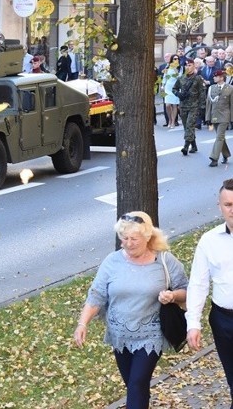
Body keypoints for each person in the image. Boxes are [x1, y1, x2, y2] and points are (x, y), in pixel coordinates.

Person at [74, 212, 188, 409]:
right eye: (124, 238)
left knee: (136, 383)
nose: (128, 243)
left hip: (150, 335)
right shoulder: (112, 261)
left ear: (147, 236)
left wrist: (172, 296)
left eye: (133, 238)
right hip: (119, 336)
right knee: (135, 386)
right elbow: (97, 295)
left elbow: (186, 290)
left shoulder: (164, 261)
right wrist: (82, 323)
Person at [186, 179, 233, 408]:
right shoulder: (209, 241)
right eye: (228, 204)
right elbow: (198, 284)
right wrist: (193, 324)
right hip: (224, 320)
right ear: (219, 206)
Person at [173, 58, 206, 155]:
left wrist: (202, 106)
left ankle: (186, 147)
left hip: (194, 106)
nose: (188, 67)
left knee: (190, 125)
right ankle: (194, 146)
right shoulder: (181, 78)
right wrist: (178, 94)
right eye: (186, 65)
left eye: (190, 65)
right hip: (183, 106)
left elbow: (202, 93)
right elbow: (174, 88)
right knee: (186, 127)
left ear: (194, 66)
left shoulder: (198, 78)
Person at [206, 70, 233, 167]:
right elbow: (209, 104)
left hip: (225, 116)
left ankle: (214, 158)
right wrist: (207, 117)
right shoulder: (211, 88)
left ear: (221, 77)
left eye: (216, 76)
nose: (214, 78)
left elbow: (232, 104)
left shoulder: (230, 88)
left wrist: (232, 119)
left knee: (219, 137)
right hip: (214, 116)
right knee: (220, 137)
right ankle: (226, 154)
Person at [162, 55, 182, 129]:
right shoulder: (167, 67)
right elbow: (165, 77)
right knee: (167, 105)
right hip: (168, 87)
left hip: (175, 87)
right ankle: (169, 119)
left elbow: (179, 77)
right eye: (174, 59)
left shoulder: (180, 68)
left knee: (174, 105)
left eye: (177, 59)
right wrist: (163, 85)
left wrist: (175, 69)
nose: (175, 60)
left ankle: (173, 121)